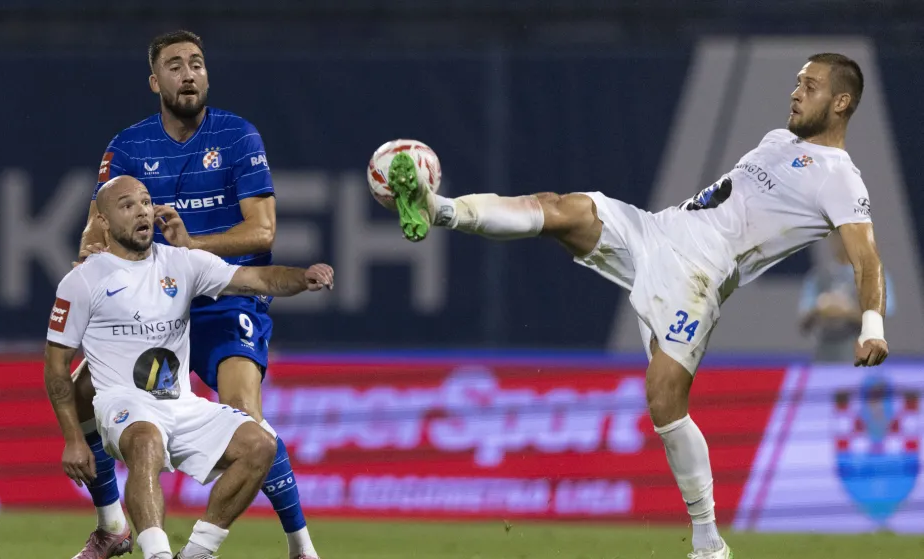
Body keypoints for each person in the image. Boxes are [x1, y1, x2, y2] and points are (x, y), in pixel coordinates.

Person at [384, 53, 889, 558]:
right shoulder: (778, 141)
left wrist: (871, 325)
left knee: (665, 396)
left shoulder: (840, 178)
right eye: (797, 83)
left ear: (841, 102)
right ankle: (437, 208)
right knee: (563, 208)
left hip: (699, 273)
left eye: (811, 86)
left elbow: (866, 259)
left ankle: (709, 543)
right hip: (658, 228)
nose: (796, 93)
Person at [70, 30, 320, 559]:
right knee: (79, 391)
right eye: (176, 65)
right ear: (155, 81)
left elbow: (263, 233)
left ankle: (301, 546)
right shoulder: (130, 146)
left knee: (244, 417)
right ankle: (111, 524)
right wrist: (91, 252)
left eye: (198, 64)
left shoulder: (237, 136)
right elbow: (96, 225)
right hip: (155, 305)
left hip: (227, 299)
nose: (189, 73)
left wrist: (192, 247)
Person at [46, 176, 334, 559]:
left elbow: (256, 278)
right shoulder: (82, 282)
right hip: (123, 405)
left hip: (181, 404)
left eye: (146, 202)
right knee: (145, 440)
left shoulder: (182, 263)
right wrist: (73, 439)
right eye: (127, 205)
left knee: (259, 446)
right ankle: (157, 553)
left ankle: (199, 550)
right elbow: (56, 366)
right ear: (102, 221)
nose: (142, 211)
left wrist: (302, 278)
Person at [799, 230, 895, 363]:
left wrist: (847, 311)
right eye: (838, 235)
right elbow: (803, 324)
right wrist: (820, 308)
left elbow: (882, 323)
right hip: (824, 358)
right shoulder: (817, 278)